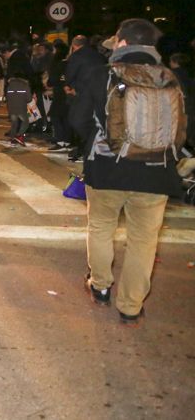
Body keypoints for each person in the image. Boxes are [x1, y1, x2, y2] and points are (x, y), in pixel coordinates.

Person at [70, 19, 187, 324]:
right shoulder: (171, 78)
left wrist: (95, 141)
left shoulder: (102, 75)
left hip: (107, 169)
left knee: (101, 227)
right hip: (156, 173)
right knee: (144, 241)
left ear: (122, 43)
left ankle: (100, 287)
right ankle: (131, 306)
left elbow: (77, 119)